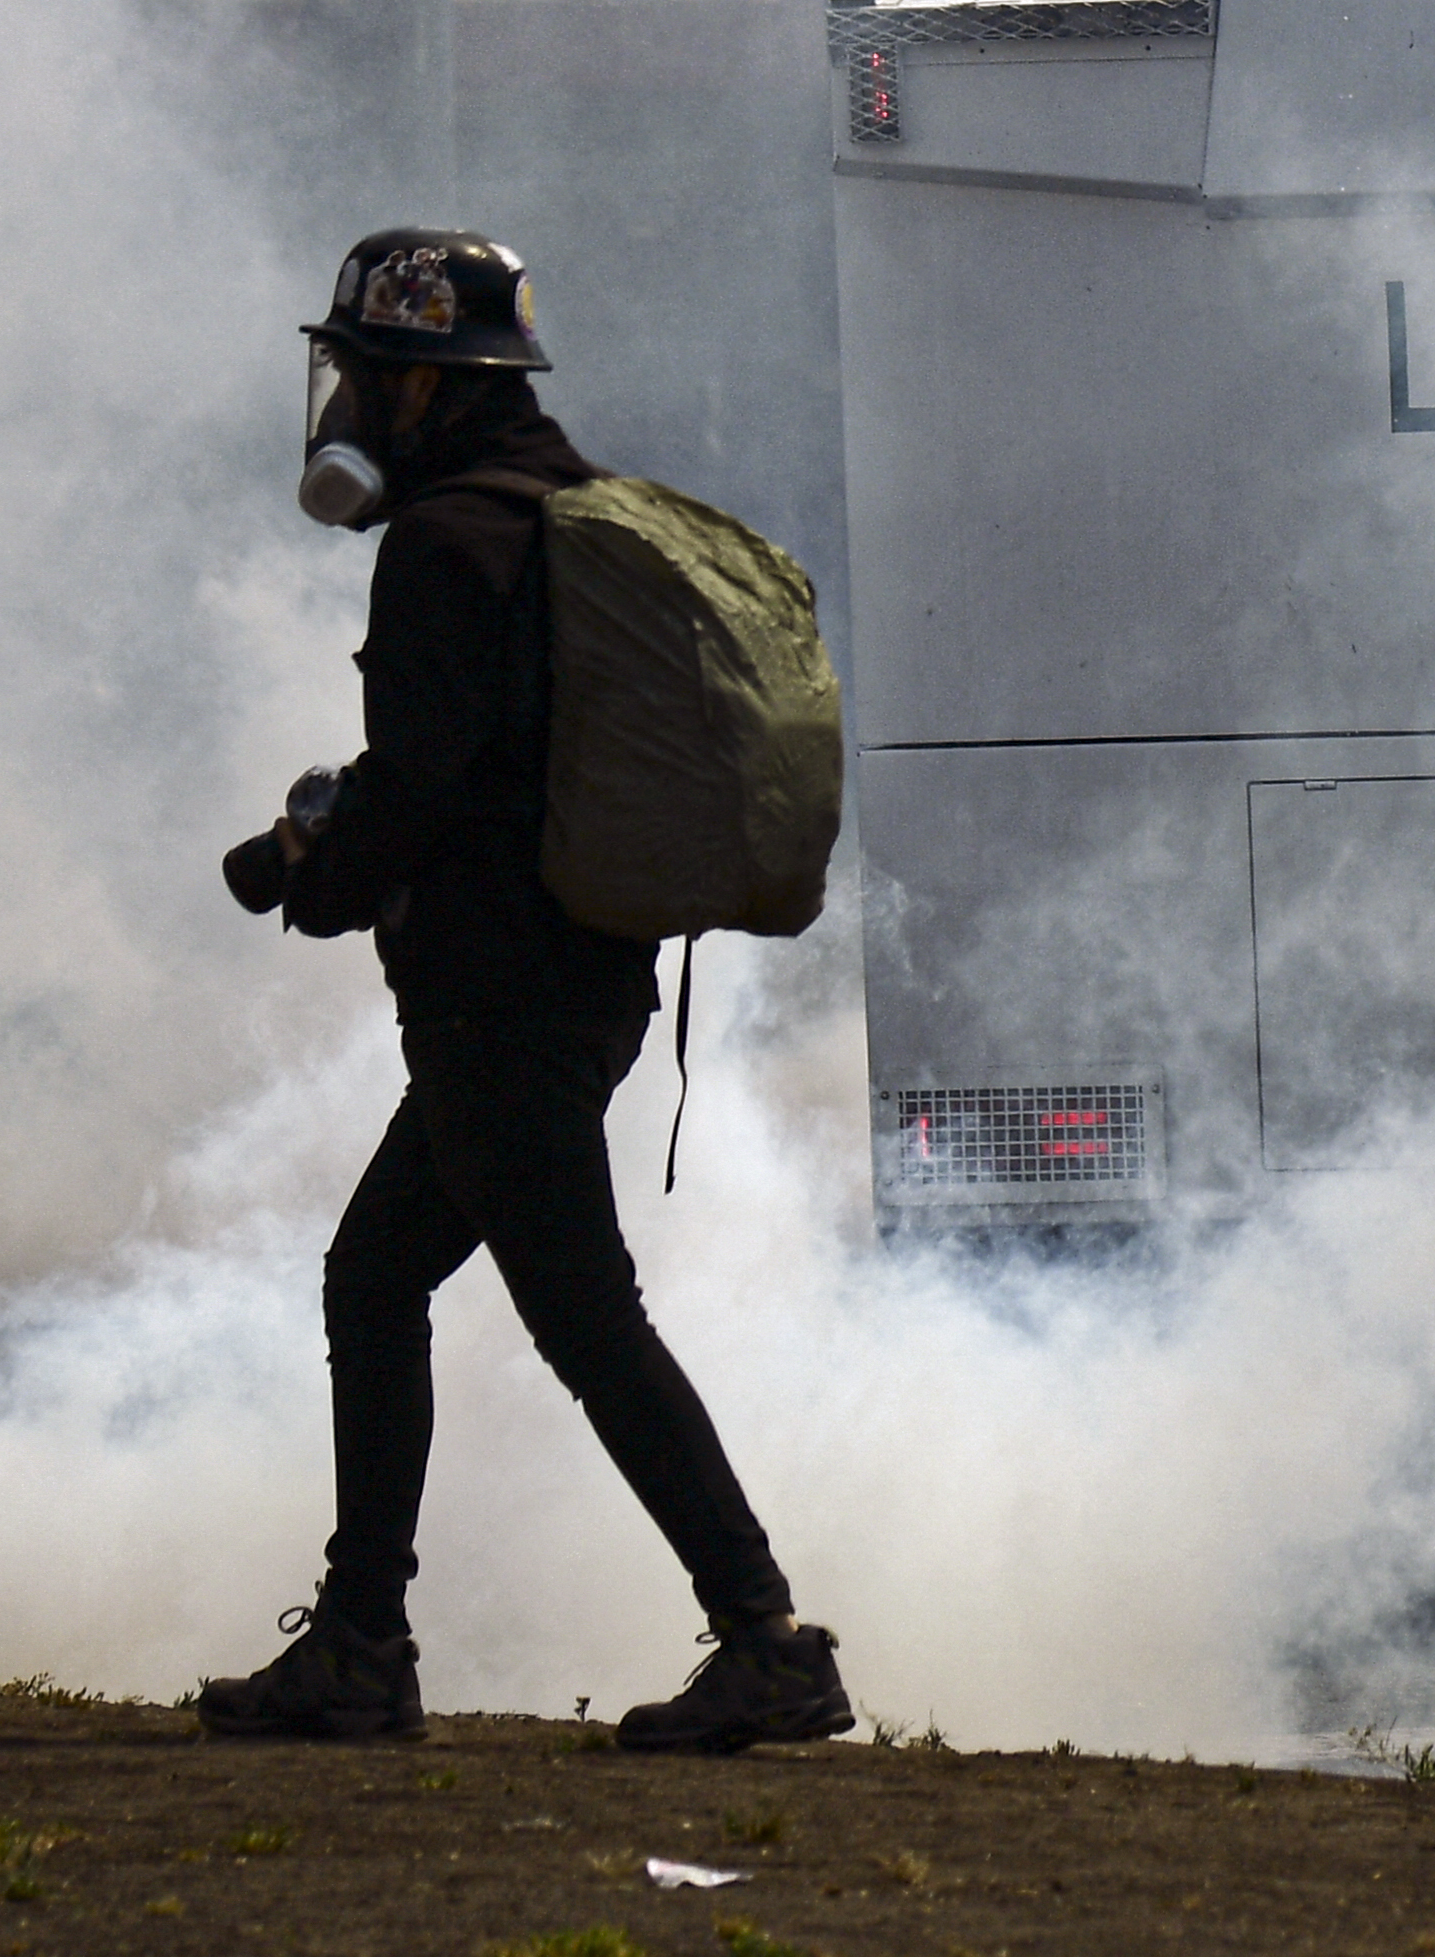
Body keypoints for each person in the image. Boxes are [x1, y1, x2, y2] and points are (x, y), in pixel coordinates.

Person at [197, 229, 853, 1749]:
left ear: (424, 386)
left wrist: (322, 876)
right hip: (574, 979)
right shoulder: (559, 512)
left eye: (364, 372)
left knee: (583, 1317)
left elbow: (427, 783)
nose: (344, 403)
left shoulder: (447, 543)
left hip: (500, 1000)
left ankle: (765, 1639)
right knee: (377, 1277)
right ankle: (363, 1641)